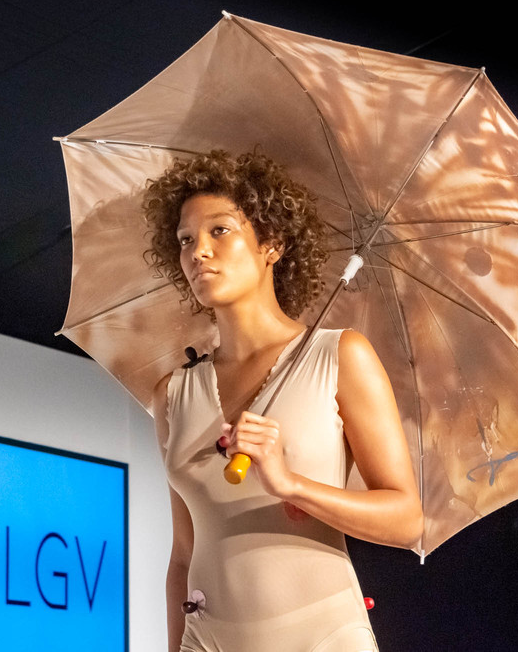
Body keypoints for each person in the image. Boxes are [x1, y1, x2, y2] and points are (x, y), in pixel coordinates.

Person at [143, 150, 423, 652]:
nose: (198, 251)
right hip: (207, 641)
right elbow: (183, 553)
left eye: (220, 230)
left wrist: (290, 484)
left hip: (323, 638)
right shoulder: (172, 394)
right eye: (185, 240)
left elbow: (406, 519)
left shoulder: (340, 356)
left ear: (272, 243)